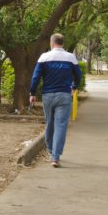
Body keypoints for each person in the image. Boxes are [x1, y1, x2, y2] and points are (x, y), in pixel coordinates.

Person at [29, 33, 82, 168]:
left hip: (48, 96)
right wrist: (74, 86)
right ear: (62, 43)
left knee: (50, 124)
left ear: (52, 44)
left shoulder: (44, 57)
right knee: (61, 126)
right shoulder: (71, 58)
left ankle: (51, 151)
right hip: (64, 96)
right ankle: (55, 156)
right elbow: (78, 75)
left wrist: (32, 93)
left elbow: (36, 77)